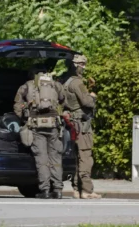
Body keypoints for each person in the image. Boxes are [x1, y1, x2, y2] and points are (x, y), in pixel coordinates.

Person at [14, 66, 66, 199]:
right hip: (54, 125)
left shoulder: (26, 86)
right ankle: (58, 189)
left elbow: (17, 106)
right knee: (55, 158)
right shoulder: (55, 85)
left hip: (36, 126)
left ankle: (45, 190)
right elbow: (63, 100)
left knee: (41, 159)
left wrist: (24, 118)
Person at [61, 54, 101, 199]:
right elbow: (87, 103)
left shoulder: (65, 81)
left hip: (73, 123)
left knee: (78, 157)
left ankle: (76, 189)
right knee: (85, 156)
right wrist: (93, 96)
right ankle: (87, 190)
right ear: (76, 65)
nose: (84, 67)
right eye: (82, 64)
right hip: (82, 124)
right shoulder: (77, 83)